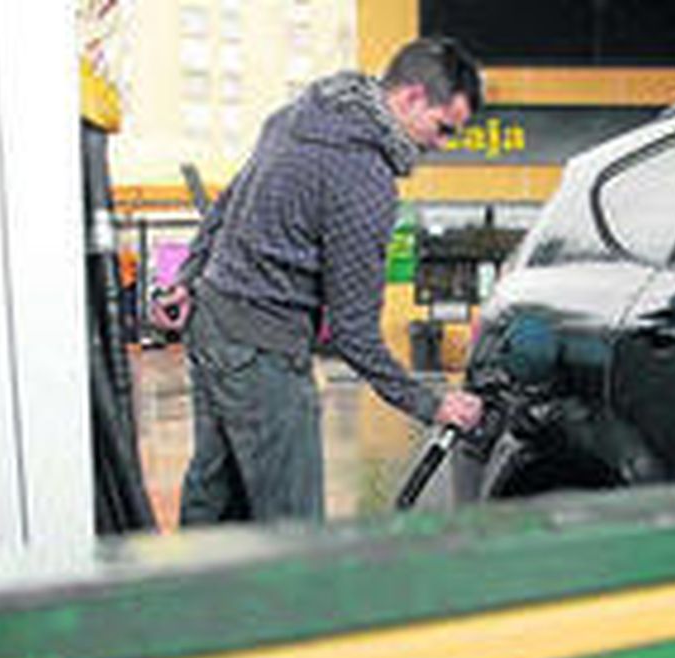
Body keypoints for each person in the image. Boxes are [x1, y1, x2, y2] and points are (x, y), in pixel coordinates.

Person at [151, 37, 485, 524]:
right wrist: (432, 404)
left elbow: (227, 204)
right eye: (444, 128)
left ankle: (195, 595)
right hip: (265, 349)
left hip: (211, 322)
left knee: (216, 493)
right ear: (412, 98)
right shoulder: (365, 178)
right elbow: (354, 332)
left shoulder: (296, 116)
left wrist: (187, 276)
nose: (442, 145)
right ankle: (288, 600)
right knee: (293, 522)